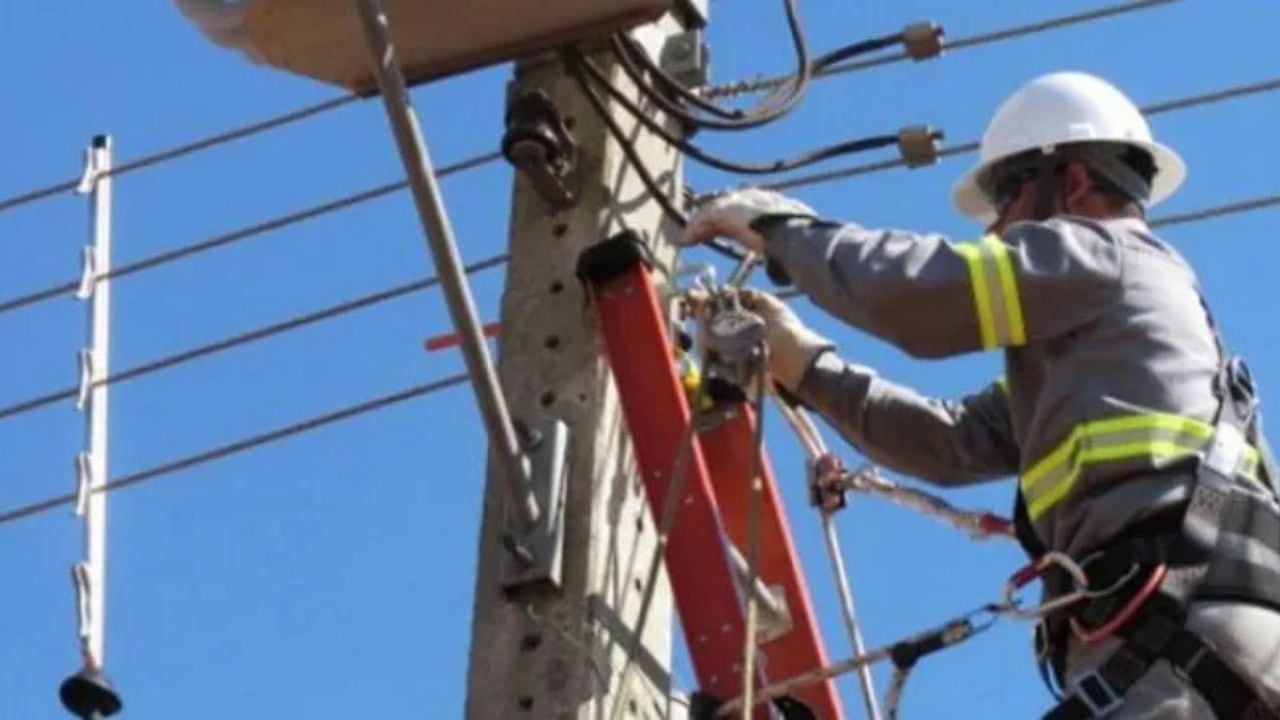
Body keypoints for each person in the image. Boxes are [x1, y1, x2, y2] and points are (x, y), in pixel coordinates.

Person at [682, 72, 1280, 719]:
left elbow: (923, 293)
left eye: (1005, 200)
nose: (996, 230)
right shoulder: (1096, 358)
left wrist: (786, 232)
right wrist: (811, 368)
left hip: (1176, 636)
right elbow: (949, 442)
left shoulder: (1106, 254)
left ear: (1072, 182)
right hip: (1187, 643)